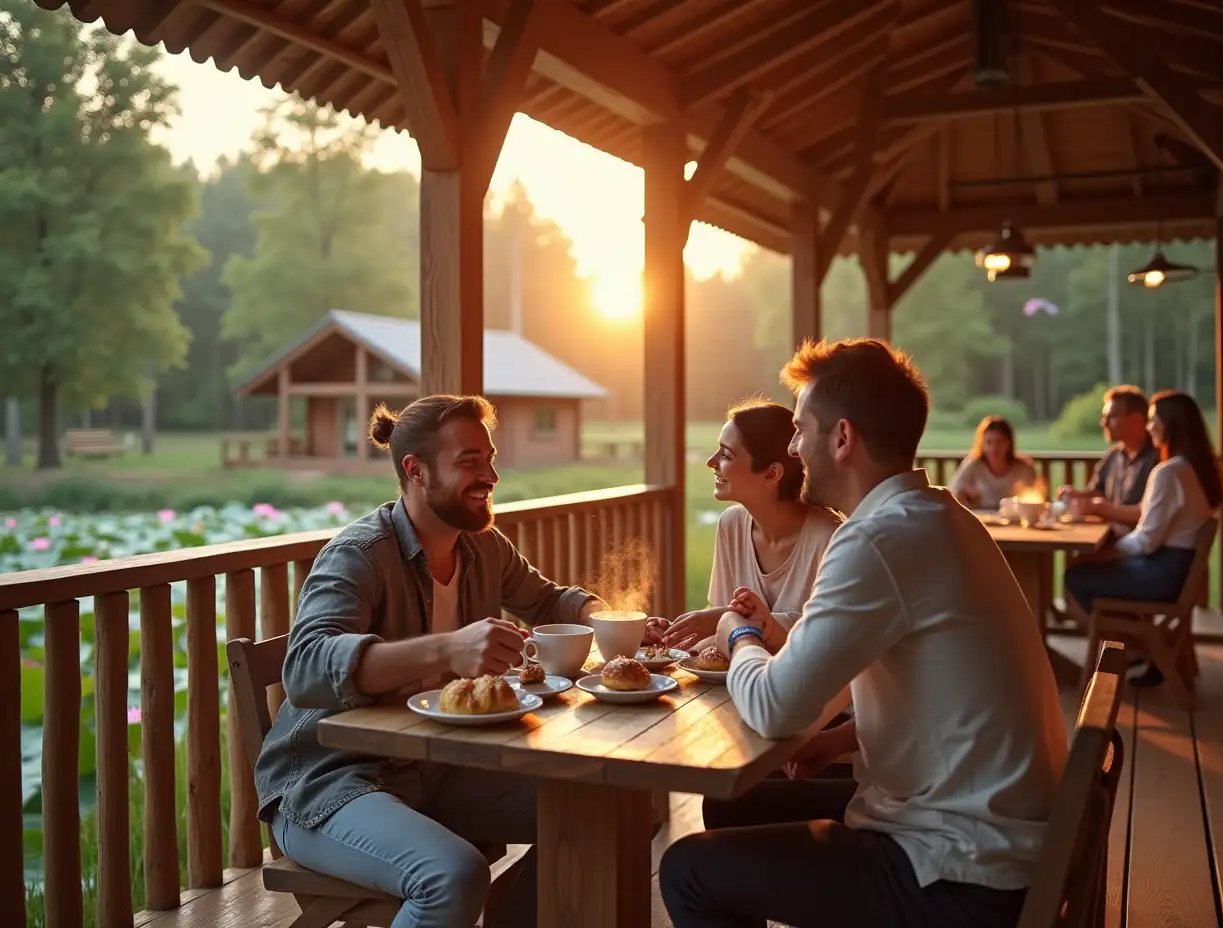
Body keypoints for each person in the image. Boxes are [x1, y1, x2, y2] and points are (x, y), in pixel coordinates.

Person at [658, 338, 1069, 928]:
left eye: (801, 430)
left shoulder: (877, 539)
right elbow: (936, 690)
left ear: (843, 438)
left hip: (962, 870)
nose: (794, 447)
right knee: (736, 804)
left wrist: (736, 630)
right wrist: (843, 739)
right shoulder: (941, 516)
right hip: (999, 833)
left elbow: (775, 710)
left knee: (686, 872)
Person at [253, 395, 608, 928]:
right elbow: (304, 667)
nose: (490, 474)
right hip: (331, 786)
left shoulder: (483, 547)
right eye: (470, 461)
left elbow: (549, 600)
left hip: (439, 771)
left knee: (604, 814)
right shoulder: (359, 555)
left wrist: (609, 616)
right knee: (454, 875)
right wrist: (448, 647)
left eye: (489, 458)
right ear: (415, 471)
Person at [648, 399, 840, 655]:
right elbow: (723, 625)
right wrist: (674, 636)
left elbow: (828, 643)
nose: (711, 461)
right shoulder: (732, 525)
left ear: (772, 474)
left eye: (726, 454)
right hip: (738, 682)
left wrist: (724, 621)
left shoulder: (830, 539)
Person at [1065, 390, 1223, 688]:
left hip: (1160, 574)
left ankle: (1150, 652)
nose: (1150, 429)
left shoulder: (1168, 473)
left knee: (1076, 576)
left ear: (1171, 425)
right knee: (1089, 573)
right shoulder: (1201, 469)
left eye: (1154, 421)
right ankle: (1151, 651)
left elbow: (1146, 541)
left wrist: (1108, 553)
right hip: (1180, 571)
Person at [1060, 385, 1159, 531]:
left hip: (1139, 544)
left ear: (1137, 419)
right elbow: (1097, 492)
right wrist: (1077, 495)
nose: (1103, 423)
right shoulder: (1113, 456)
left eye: (1111, 416)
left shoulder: (1158, 460)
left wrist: (1104, 509)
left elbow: (1151, 512)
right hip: (1111, 537)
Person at [949, 415, 1039, 510]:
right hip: (981, 519)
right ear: (982, 444)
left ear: (1009, 443)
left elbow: (1036, 496)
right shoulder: (973, 464)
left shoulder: (1023, 467)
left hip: (1014, 519)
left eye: (999, 442)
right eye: (988, 442)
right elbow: (954, 491)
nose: (994, 448)